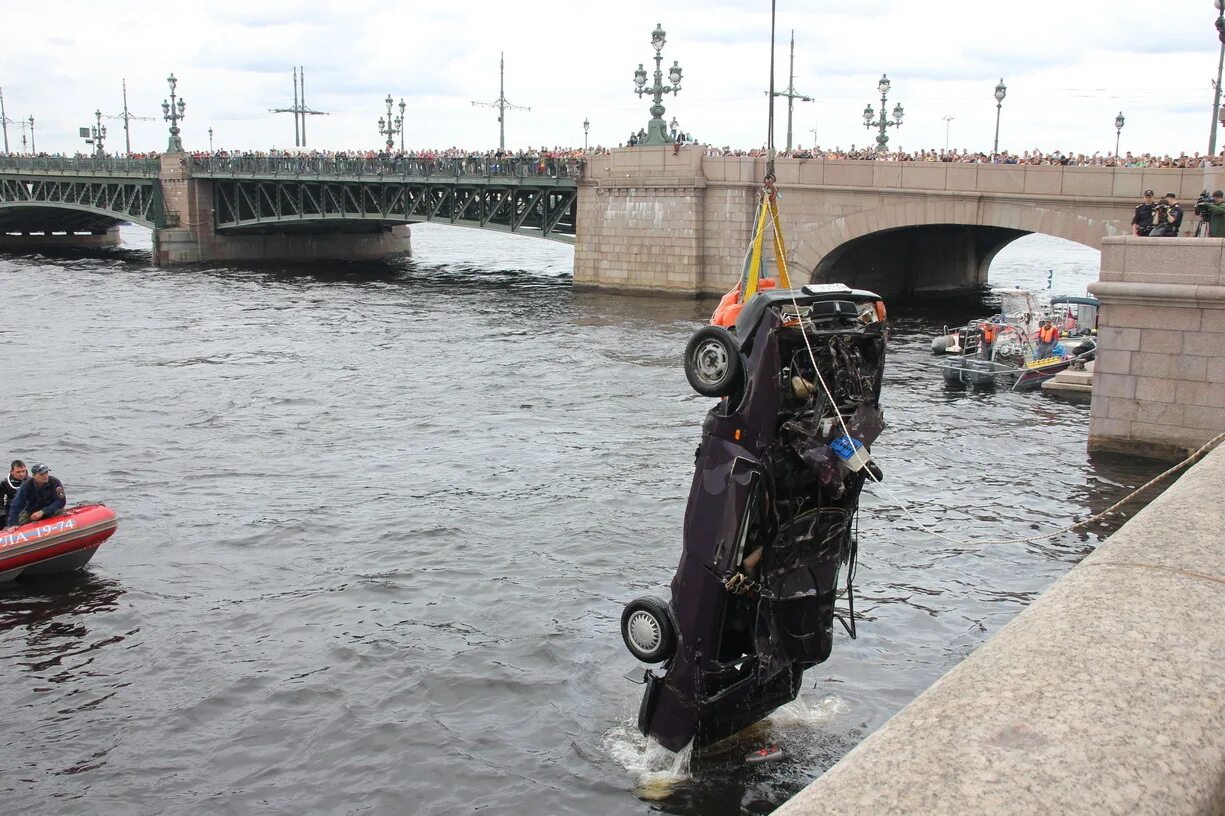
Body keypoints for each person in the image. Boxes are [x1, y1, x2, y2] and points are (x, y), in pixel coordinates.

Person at [5, 464, 66, 528]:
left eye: (46, 472)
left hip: (52, 510)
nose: (45, 475)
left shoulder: (54, 482)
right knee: (17, 524)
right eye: (42, 474)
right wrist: (14, 524)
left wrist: (43, 511)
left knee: (60, 511)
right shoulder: (26, 485)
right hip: (32, 513)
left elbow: (61, 501)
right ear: (34, 476)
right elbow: (16, 505)